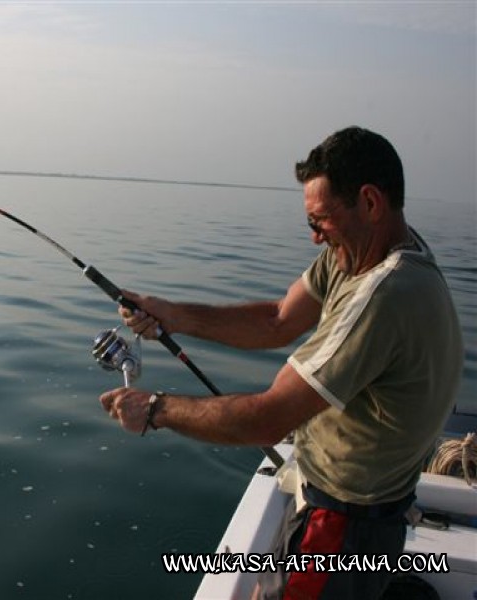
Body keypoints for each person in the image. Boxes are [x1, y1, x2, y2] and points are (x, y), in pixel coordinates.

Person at [99, 126, 463, 600]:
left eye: (320, 221)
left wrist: (154, 410)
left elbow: (270, 418)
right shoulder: (360, 251)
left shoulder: (385, 293)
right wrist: (173, 314)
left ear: (370, 203)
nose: (314, 238)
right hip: (351, 508)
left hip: (342, 526)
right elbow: (276, 320)